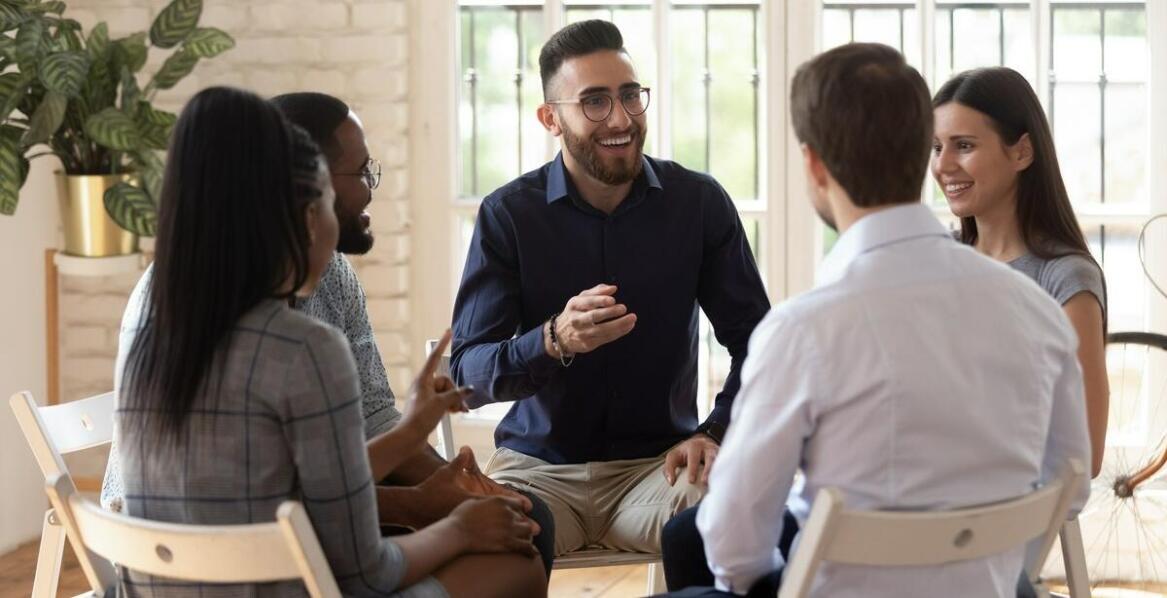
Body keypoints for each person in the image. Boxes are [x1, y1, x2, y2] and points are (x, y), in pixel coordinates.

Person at [661, 43, 1091, 597]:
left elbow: (734, 546)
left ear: (814, 165)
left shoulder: (801, 332)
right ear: (921, 153)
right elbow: (1071, 484)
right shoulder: (1038, 313)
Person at [112, 86, 546, 597]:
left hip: (151, 586)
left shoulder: (153, 327)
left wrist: (412, 433)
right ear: (301, 216)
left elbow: (291, 485)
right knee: (518, 565)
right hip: (276, 582)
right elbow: (366, 573)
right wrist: (458, 529)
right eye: (327, 196)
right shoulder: (304, 349)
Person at [450, 19, 770, 557]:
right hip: (539, 472)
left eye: (630, 96)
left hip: (659, 470)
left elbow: (761, 344)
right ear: (551, 119)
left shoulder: (698, 204)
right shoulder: (508, 216)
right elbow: (465, 376)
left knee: (726, 513)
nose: (621, 118)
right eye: (595, 102)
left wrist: (714, 432)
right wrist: (552, 339)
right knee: (491, 538)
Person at [932, 67, 1109, 477]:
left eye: (964, 145)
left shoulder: (1065, 280)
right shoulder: (938, 258)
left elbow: (1085, 455)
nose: (943, 165)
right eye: (936, 147)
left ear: (1022, 152)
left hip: (1010, 506)